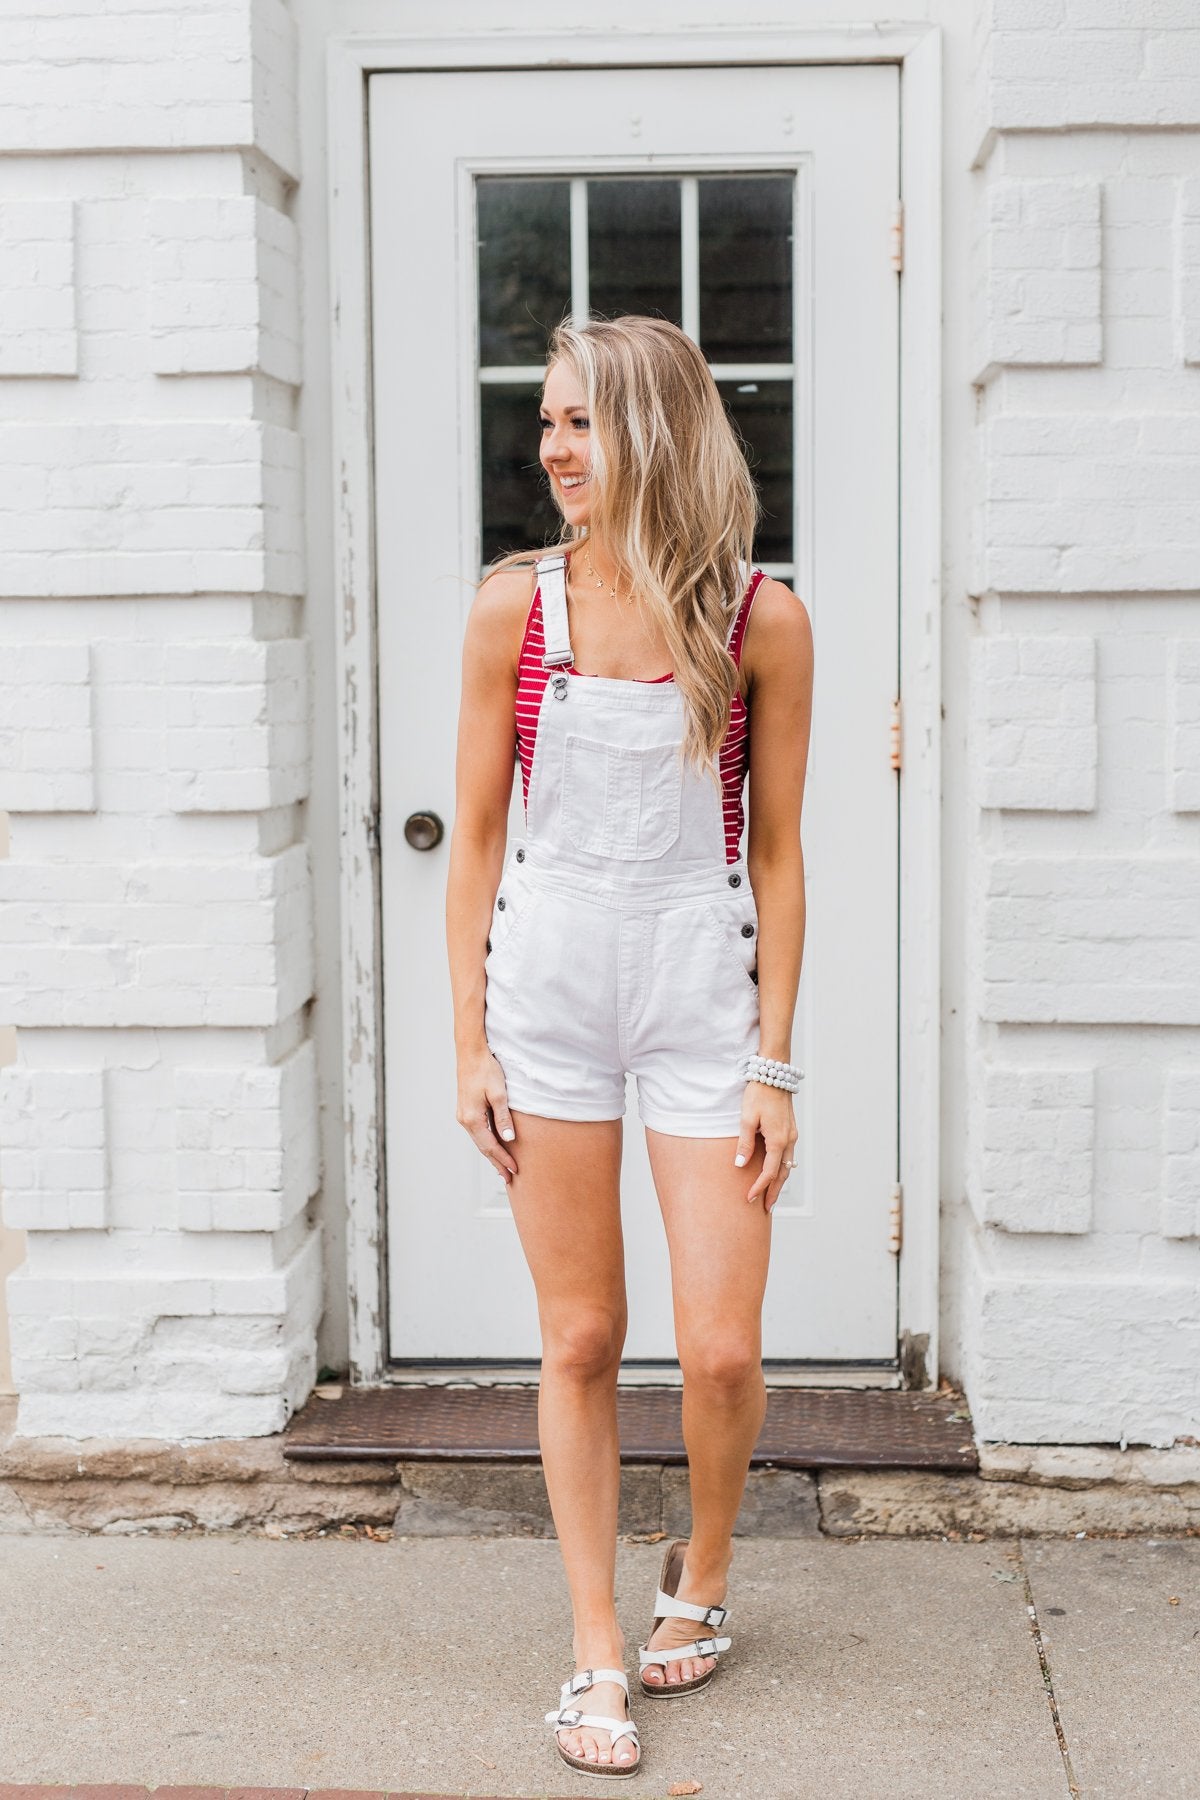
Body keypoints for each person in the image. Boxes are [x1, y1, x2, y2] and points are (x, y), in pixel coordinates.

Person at [446, 315, 813, 1779]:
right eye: (546, 421)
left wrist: (776, 1063)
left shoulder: (757, 618)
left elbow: (777, 856)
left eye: (582, 422)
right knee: (583, 1336)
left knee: (719, 1349)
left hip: (695, 991)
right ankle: (596, 1647)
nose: (552, 449)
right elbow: (475, 839)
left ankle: (703, 1569)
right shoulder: (512, 611)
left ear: (656, 430)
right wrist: (467, 1037)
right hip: (549, 990)